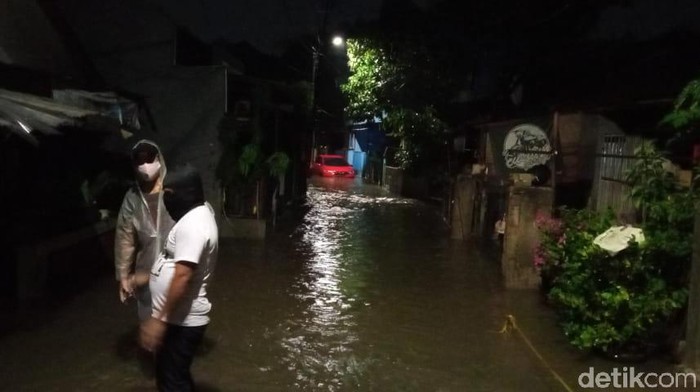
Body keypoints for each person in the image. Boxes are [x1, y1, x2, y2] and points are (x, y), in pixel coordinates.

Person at [139, 163, 218, 391]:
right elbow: (176, 265)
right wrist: (145, 278)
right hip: (178, 317)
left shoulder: (194, 224)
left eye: (168, 194)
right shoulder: (198, 214)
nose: (165, 199)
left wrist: (158, 320)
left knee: (173, 381)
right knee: (173, 377)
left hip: (181, 320)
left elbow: (183, 275)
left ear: (180, 193)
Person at [115, 140, 175, 321]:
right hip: (145, 276)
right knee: (149, 326)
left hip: (175, 272)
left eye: (149, 158)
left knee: (174, 328)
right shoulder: (132, 198)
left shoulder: (174, 190)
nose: (145, 165)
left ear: (159, 159)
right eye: (140, 161)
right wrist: (124, 277)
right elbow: (125, 239)